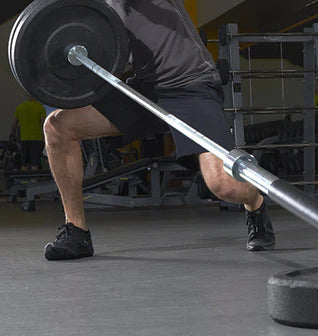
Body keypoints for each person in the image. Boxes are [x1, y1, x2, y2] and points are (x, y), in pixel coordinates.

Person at [43, 0, 275, 260]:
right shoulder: (95, 9)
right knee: (58, 126)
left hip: (190, 85)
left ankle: (255, 203)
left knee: (224, 187)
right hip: (146, 89)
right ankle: (76, 232)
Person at [11, 96, 46, 171]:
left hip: (23, 138)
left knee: (24, 162)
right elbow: (43, 123)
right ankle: (34, 179)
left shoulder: (20, 107)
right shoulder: (40, 107)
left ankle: (24, 180)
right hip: (37, 138)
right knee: (35, 162)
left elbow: (14, 123)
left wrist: (13, 134)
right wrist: (45, 136)